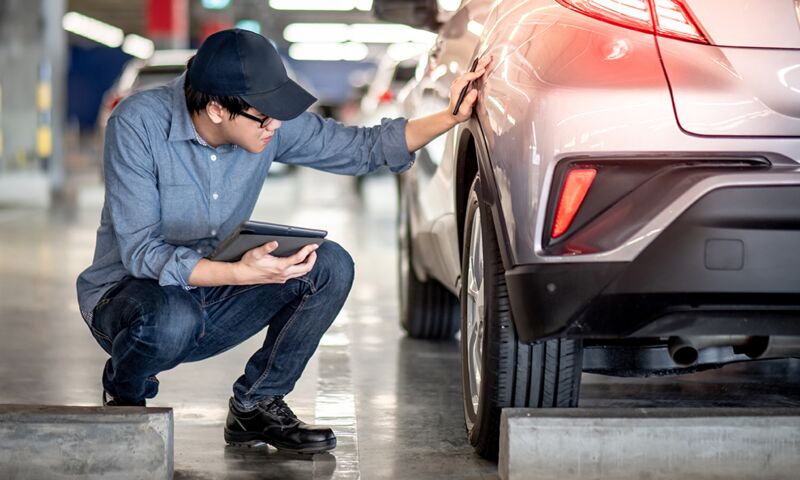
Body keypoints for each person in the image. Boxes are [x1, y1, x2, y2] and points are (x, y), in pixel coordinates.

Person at [76, 28, 490, 454]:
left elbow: (362, 148)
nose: (276, 124)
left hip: (214, 290)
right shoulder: (138, 123)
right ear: (217, 109)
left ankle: (256, 404)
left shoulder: (263, 121)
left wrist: (451, 116)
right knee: (170, 320)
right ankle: (124, 394)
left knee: (328, 265)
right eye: (265, 115)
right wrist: (239, 272)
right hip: (131, 301)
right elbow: (142, 252)